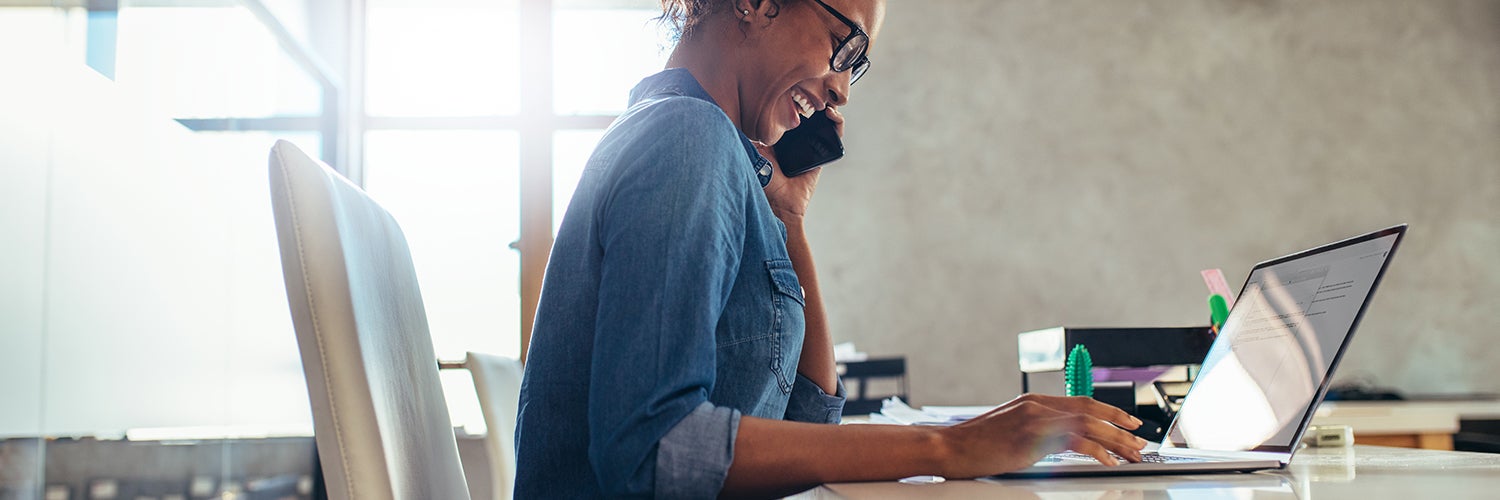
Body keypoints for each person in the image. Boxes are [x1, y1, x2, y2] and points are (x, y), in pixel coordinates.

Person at [514, 0, 1148, 497]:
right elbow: (655, 449)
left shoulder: (716, 155)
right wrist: (947, 448)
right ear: (758, 3)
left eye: (857, 65)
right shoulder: (684, 138)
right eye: (843, 47)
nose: (843, 89)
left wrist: (789, 218)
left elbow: (809, 425)